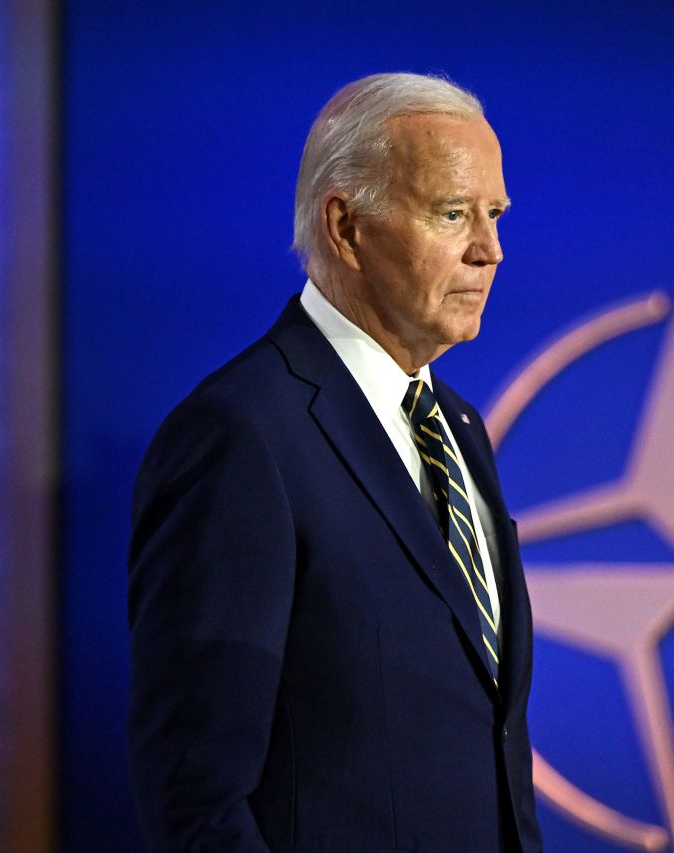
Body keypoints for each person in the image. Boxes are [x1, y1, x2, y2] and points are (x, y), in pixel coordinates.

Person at [128, 72, 541, 852]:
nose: (489, 250)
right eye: (453, 214)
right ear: (346, 228)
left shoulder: (457, 427)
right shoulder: (240, 436)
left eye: (493, 215)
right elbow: (195, 794)